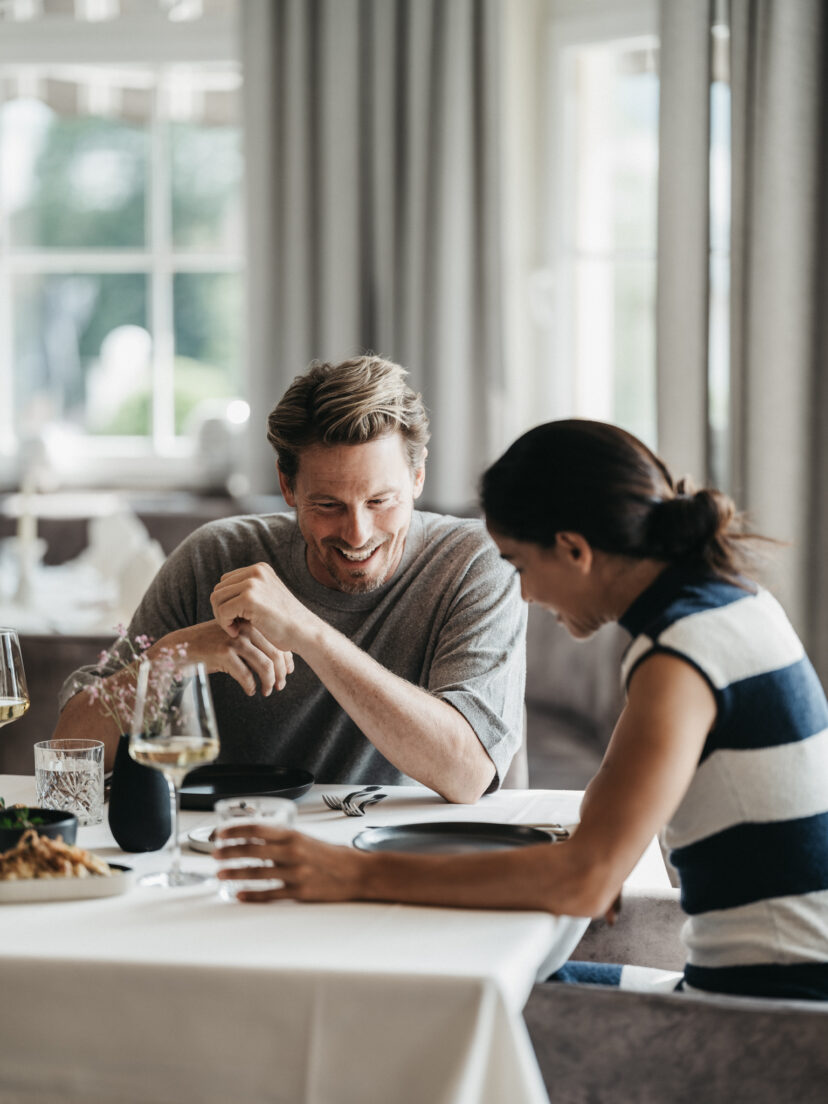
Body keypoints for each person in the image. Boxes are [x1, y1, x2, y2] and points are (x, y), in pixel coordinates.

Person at [216, 419, 828, 1002]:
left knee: (433, 1004)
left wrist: (350, 876)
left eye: (519, 566)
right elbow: (602, 826)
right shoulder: (732, 604)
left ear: (573, 550)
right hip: (773, 998)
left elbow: (585, 882)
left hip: (758, 1021)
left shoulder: (679, 655)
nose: (526, 595)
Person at [56, 357, 527, 804]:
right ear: (288, 486)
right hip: (225, 846)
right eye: (328, 505)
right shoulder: (213, 555)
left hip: (390, 852)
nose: (357, 534)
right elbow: (69, 754)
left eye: (381, 501)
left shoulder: (474, 562)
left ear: (418, 476)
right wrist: (169, 657)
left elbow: (467, 774)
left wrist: (306, 631)